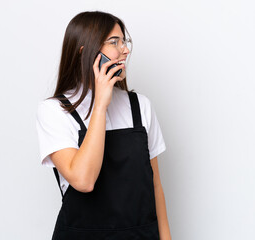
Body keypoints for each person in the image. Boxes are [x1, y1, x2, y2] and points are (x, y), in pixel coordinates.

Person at [36, 10, 171, 240]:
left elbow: (155, 185)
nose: (125, 50)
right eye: (114, 42)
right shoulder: (54, 111)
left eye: (124, 41)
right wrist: (100, 105)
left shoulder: (141, 107)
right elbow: (84, 180)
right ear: (85, 52)